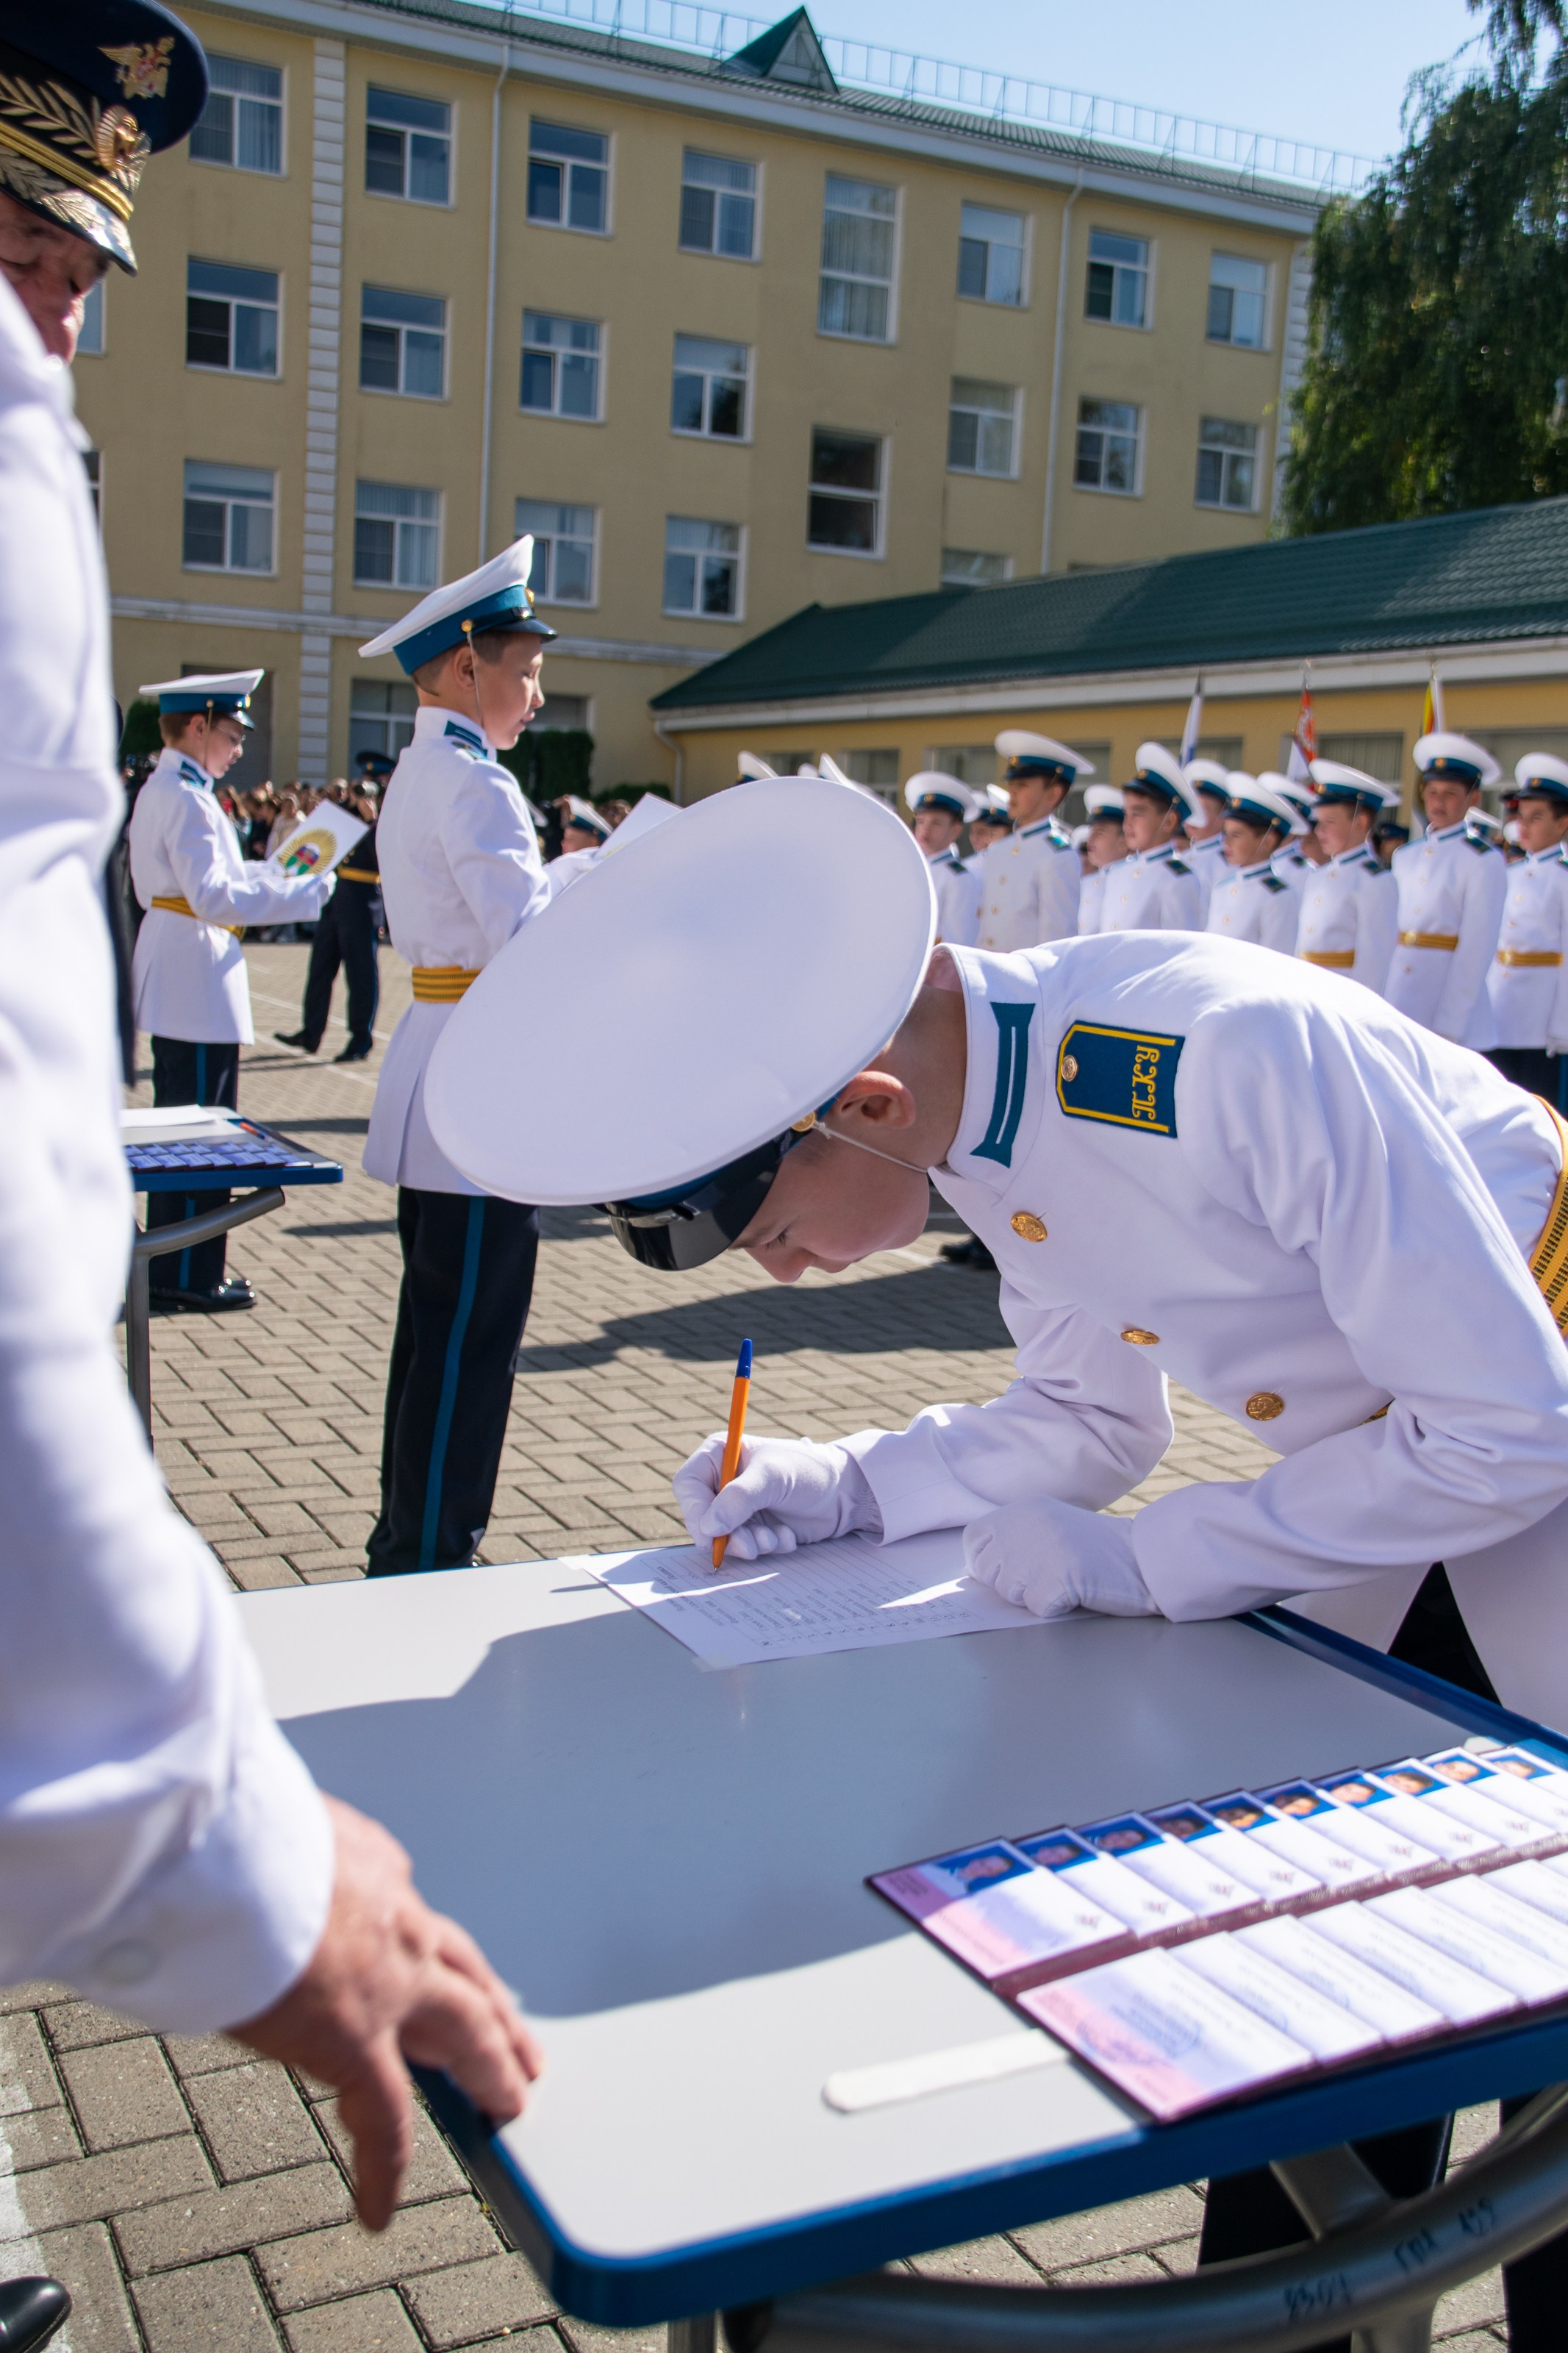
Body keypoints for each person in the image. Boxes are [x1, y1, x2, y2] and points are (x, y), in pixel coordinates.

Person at [423, 775, 1568, 2352]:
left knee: (1549, 2064)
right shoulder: (984, 1111)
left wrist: (1155, 1562)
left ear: (868, 1104)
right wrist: (842, 1487)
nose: (777, 1266)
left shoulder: (1221, 1053)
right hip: (1395, 1475)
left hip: (1528, 1440)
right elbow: (1088, 1419)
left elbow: (1507, 1429)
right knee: (1336, 2032)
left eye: (762, 1223)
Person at [0, 0, 540, 2315]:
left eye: (79, 263)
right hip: (450, 1068)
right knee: (448, 1357)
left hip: (405, 1053)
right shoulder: (15, 461)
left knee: (457, 1338)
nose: (58, 314)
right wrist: (204, 1827)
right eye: (30, 246)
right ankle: (418, 1550)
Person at [359, 537, 556, 1577]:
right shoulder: (473, 782)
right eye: (523, 670)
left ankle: (410, 1537)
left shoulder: (425, 765)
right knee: (467, 1348)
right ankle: (431, 1555)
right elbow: (522, 936)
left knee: (436, 1336)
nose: (536, 691)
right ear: (466, 662)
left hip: (443, 1066)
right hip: (477, 1091)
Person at [129, 673, 335, 1309]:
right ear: (197, 727)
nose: (240, 746)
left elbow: (215, 880)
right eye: (232, 732)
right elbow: (212, 895)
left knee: (195, 1129)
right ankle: (184, 1273)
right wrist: (300, 891)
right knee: (197, 1134)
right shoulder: (187, 797)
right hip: (192, 972)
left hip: (191, 968)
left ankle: (184, 1265)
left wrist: (275, 872)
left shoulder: (180, 789)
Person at [1386, 732, 1508, 1047]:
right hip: (1400, 998)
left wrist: (1451, 1022)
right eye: (1432, 792)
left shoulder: (1483, 860)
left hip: (1445, 1005)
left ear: (1473, 799)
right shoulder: (1406, 856)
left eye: (1450, 793)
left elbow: (1476, 948)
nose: (1438, 802)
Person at [276, 763, 384, 1062]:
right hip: (336, 901)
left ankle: (360, 1039)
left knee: (361, 975)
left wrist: (372, 820)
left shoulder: (385, 821)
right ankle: (311, 1033)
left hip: (363, 903)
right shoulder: (347, 817)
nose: (360, 793)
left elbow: (382, 857)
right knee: (320, 970)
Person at [1486, 754, 1568, 1109]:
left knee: (1540, 1108)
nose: (1525, 826)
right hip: (1498, 1012)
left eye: (1537, 817)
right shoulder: (1510, 874)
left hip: (1540, 1021)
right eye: (1521, 816)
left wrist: (1562, 1027)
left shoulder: (1563, 877)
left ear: (1563, 823)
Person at [974, 731, 1085, 951]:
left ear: (1053, 794)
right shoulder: (999, 850)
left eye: (1022, 786)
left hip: (1024, 981)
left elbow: (1056, 941)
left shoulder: (1058, 856)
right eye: (1011, 784)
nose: (1012, 793)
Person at [1295, 760, 1400, 993]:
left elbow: (1374, 961)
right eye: (1318, 822)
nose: (1319, 831)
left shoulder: (1375, 881)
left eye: (1329, 822)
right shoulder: (1317, 876)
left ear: (1360, 823)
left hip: (1341, 996)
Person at [1096, 745, 1203, 929]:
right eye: (1126, 814)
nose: (1127, 824)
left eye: (1137, 814)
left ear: (1169, 821)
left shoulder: (1178, 879)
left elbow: (1177, 950)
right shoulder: (1116, 872)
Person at [1203, 773, 1304, 954]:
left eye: (1237, 835)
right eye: (1226, 834)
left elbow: (1276, 962)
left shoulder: (1278, 896)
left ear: (1267, 841)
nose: (1226, 842)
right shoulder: (1222, 888)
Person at [903, 772, 981, 946]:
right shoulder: (911, 868)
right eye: (921, 821)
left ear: (956, 830)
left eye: (936, 823)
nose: (925, 830)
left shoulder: (959, 879)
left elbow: (958, 943)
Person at [1178, 759, 1231, 918]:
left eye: (1202, 809)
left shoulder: (1227, 862)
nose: (1193, 817)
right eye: (1190, 809)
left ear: (1223, 816)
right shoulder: (1181, 858)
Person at [1074, 786, 1125, 935]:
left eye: (1100, 832)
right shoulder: (1086, 884)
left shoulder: (1138, 882)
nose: (1091, 839)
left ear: (1124, 841)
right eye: (1091, 831)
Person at [964, 788, 1013, 865]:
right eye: (972, 831)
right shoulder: (971, 865)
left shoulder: (1017, 862)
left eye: (993, 833)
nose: (988, 839)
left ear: (1009, 835)